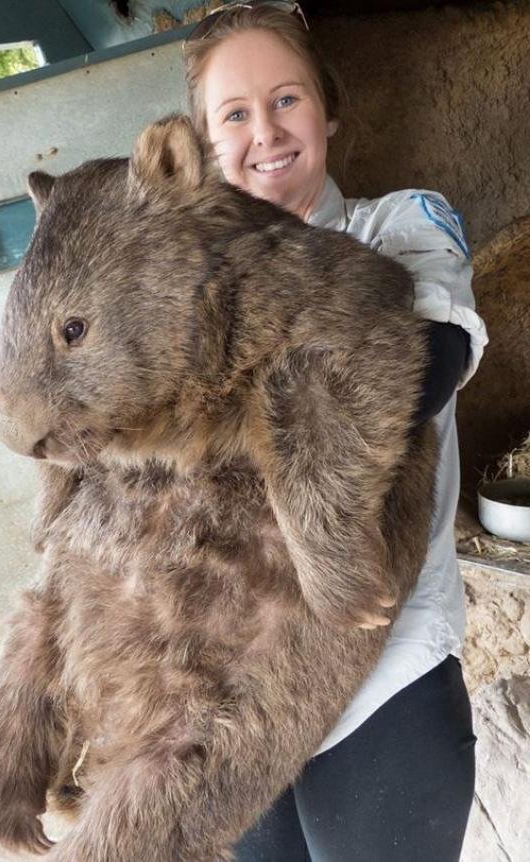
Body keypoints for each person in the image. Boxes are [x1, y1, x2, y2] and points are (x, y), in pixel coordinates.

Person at [182, 3, 488, 861]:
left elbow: (422, 367)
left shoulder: (401, 226)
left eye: (287, 99)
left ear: (328, 111)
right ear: (205, 145)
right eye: (234, 114)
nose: (265, 131)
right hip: (234, 702)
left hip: (382, 682)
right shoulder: (189, 287)